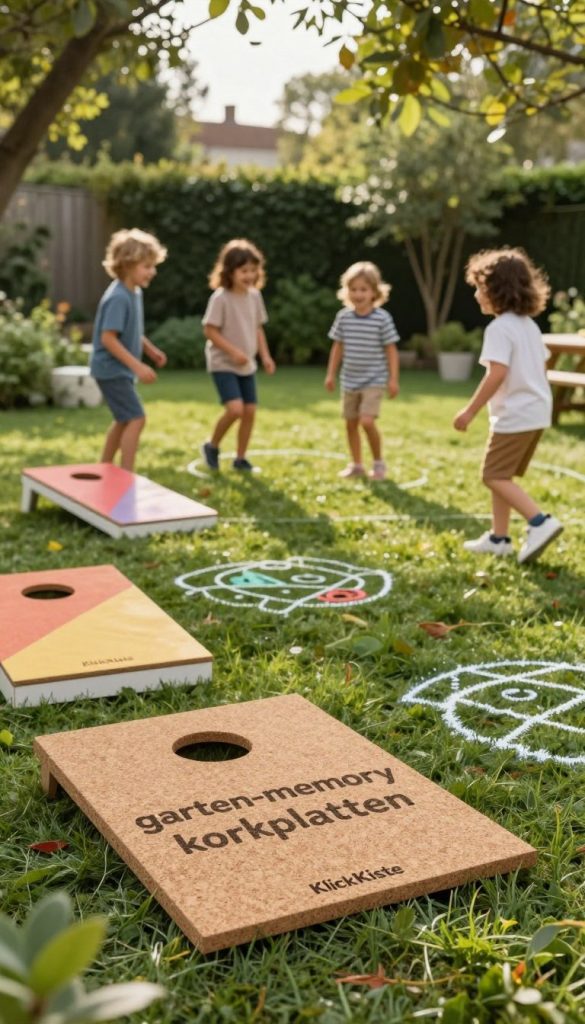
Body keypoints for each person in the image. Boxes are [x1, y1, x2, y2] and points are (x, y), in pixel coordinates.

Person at [453, 247, 563, 564]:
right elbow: (541, 369)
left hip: (515, 416)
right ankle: (499, 539)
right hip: (535, 414)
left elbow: (497, 373)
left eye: (479, 288)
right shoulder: (529, 326)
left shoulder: (499, 328)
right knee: (502, 476)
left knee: (492, 476)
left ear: (496, 291)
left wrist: (470, 410)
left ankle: (540, 522)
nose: (475, 295)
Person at [90, 228, 167, 472]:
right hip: (111, 369)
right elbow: (109, 339)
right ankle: (126, 474)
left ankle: (105, 467)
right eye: (147, 266)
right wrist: (138, 365)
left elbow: (130, 330)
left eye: (153, 266)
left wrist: (150, 350)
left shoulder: (134, 293)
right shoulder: (118, 297)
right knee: (136, 418)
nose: (152, 272)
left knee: (124, 419)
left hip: (117, 369)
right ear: (127, 265)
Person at [200, 238, 275, 471]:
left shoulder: (254, 296)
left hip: (247, 365)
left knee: (250, 411)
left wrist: (265, 356)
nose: (250, 276)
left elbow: (257, 328)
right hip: (223, 363)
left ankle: (240, 459)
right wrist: (232, 352)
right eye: (244, 271)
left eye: (254, 270)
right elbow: (209, 330)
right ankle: (212, 446)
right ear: (229, 272)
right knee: (235, 409)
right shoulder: (220, 298)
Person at [325, 260, 399, 480]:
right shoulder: (344, 317)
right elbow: (337, 347)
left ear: (374, 292)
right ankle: (357, 464)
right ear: (347, 291)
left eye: (363, 289)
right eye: (354, 289)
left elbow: (391, 350)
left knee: (366, 421)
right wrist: (331, 374)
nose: (358, 294)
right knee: (350, 423)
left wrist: (393, 379)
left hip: (374, 380)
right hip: (349, 380)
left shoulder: (382, 319)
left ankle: (378, 463)